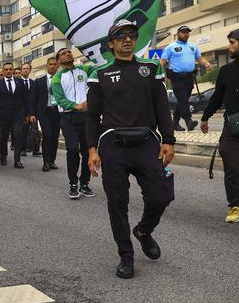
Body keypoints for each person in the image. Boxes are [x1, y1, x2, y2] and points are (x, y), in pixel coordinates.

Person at [87, 19, 176, 279]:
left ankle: (143, 231)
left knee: (160, 196)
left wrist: (168, 140)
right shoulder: (99, 73)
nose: (127, 39)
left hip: (146, 141)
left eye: (132, 35)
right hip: (112, 143)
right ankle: (126, 256)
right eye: (121, 36)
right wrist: (91, 149)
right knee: (117, 203)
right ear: (110, 44)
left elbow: (162, 106)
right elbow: (92, 115)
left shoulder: (151, 68)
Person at [199, 27, 239, 223]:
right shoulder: (227, 70)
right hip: (233, 126)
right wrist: (205, 117)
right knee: (233, 167)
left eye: (232, 43)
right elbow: (217, 97)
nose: (229, 47)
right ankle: (234, 206)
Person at [52, 48, 96, 199]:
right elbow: (59, 99)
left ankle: (84, 183)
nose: (67, 54)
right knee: (72, 149)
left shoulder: (86, 69)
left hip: (86, 117)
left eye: (69, 52)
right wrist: (74, 105)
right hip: (68, 117)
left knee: (87, 151)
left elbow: (99, 70)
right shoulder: (57, 78)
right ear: (58, 60)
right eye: (63, 53)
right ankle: (73, 184)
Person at [161, 26, 214, 132]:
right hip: (177, 77)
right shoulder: (171, 47)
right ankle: (189, 121)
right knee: (183, 99)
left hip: (190, 77)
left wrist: (207, 64)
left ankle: (174, 123)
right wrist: (160, 76)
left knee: (182, 100)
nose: (186, 34)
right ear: (178, 33)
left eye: (187, 32)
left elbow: (200, 59)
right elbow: (162, 62)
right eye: (183, 32)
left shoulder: (193, 46)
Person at [0, 61, 30, 168]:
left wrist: (28, 113)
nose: (8, 71)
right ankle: (3, 156)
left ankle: (17, 160)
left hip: (18, 115)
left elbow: (25, 99)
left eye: (10, 69)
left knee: (18, 136)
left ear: (13, 70)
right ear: (3, 71)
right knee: (3, 137)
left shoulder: (20, 82)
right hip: (3, 115)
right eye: (6, 70)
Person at [36, 57, 62, 172]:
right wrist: (33, 114)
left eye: (54, 64)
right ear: (46, 66)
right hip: (44, 111)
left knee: (55, 136)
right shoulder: (39, 81)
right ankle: (46, 162)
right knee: (47, 135)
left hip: (58, 111)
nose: (52, 66)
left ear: (58, 66)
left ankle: (52, 161)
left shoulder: (62, 79)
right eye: (50, 64)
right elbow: (34, 98)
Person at [20, 63, 41, 156]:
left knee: (35, 130)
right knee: (23, 131)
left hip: (33, 112)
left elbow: (36, 98)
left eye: (27, 68)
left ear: (30, 70)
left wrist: (33, 113)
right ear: (21, 70)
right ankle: (23, 149)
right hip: (22, 112)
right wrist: (25, 114)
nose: (25, 70)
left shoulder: (34, 83)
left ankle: (35, 150)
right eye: (23, 69)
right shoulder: (17, 82)